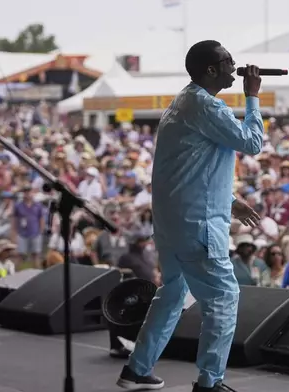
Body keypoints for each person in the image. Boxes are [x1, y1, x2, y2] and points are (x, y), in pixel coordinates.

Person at [116, 40, 264, 392]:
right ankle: (210, 382)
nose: (235, 65)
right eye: (227, 61)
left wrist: (230, 201)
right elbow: (252, 142)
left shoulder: (183, 103)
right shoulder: (205, 106)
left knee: (171, 294)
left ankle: (137, 369)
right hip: (198, 226)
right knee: (224, 298)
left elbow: (188, 172)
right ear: (210, 70)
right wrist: (252, 97)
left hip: (173, 223)